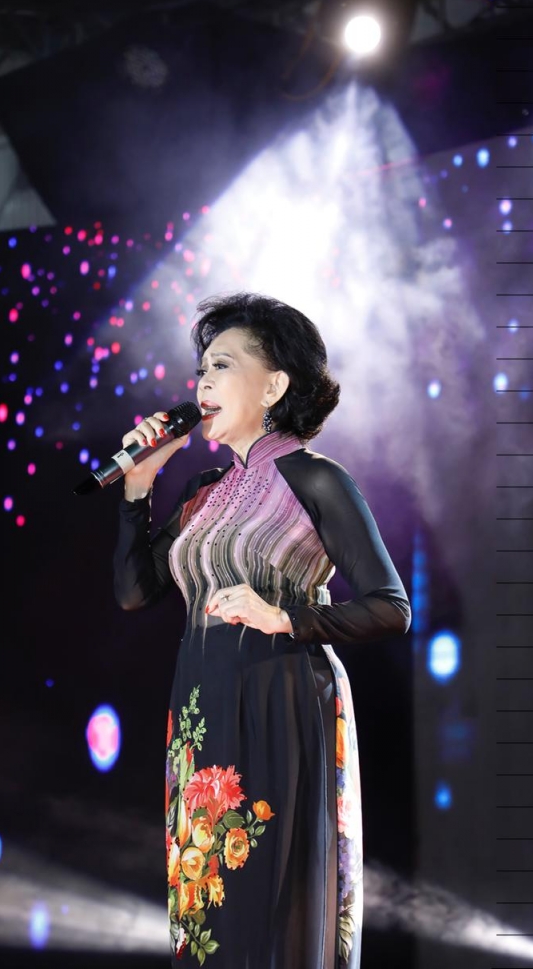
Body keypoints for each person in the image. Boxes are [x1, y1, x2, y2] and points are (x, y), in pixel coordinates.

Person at [113, 292, 411, 969]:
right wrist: (138, 487)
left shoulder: (317, 479)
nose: (203, 383)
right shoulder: (203, 492)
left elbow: (391, 606)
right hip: (202, 708)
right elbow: (135, 592)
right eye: (201, 369)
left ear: (274, 386)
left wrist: (286, 617)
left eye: (222, 365)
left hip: (282, 696)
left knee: (271, 906)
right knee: (208, 911)